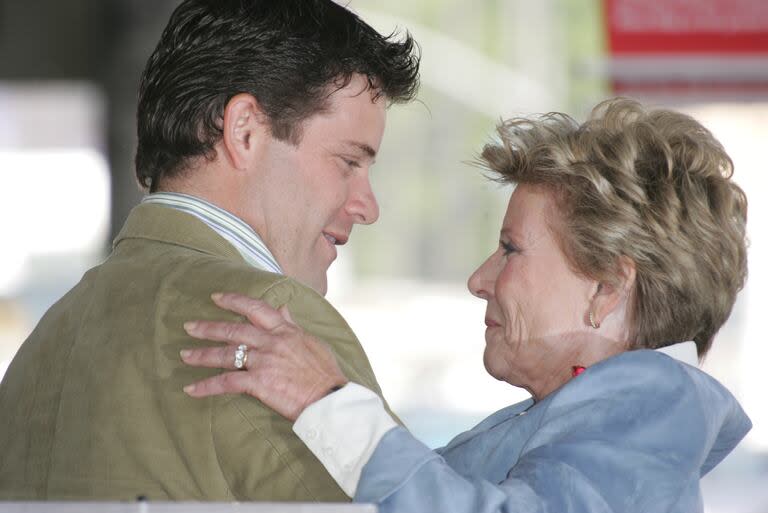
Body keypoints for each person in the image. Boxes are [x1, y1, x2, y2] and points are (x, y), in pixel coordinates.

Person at [180, 98, 752, 512]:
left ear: (606, 287)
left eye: (511, 250)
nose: (480, 280)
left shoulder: (654, 397)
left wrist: (326, 402)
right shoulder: (631, 413)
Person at [0, 0, 419, 501]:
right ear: (243, 131)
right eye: (349, 161)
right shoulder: (272, 324)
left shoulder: (49, 337)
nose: (367, 207)